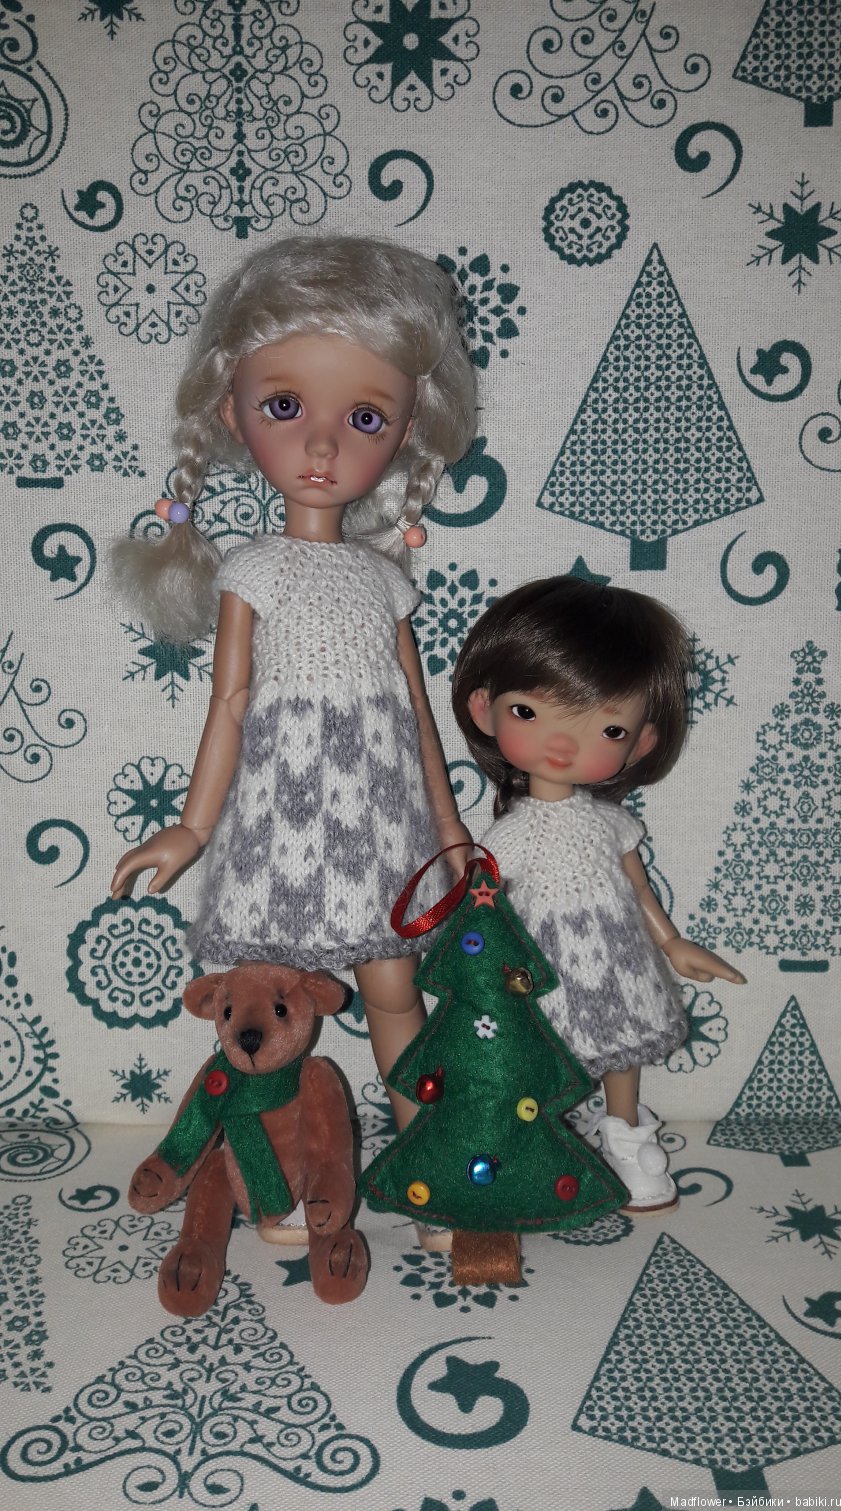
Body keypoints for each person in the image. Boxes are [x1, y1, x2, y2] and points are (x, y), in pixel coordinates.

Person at [111, 233, 477, 1133]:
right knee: (262, 1002)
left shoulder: (385, 581)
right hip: (280, 819)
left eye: (365, 418)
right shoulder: (254, 569)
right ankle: (262, 1161)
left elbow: (417, 715)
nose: (321, 442)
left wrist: (448, 827)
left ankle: (425, 1155)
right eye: (284, 405)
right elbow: (230, 703)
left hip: (381, 823)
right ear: (233, 415)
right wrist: (194, 826)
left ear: (406, 431)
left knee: (394, 992)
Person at [451, 576, 745, 1211]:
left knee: (621, 1046)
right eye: (528, 713)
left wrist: (672, 942)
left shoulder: (611, 824)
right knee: (535, 1056)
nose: (563, 744)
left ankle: (625, 1135)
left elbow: (637, 885)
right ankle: (535, 1144)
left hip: (613, 956)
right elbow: (485, 902)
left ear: (642, 743)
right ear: (483, 709)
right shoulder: (510, 834)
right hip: (539, 967)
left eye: (609, 729)